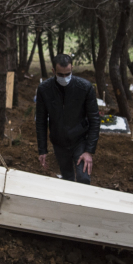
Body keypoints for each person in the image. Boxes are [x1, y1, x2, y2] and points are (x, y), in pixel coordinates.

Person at [35, 54, 101, 184]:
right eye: (61, 75)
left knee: (83, 178)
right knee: (67, 180)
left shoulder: (85, 87)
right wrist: (42, 150)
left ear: (72, 69)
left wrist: (89, 150)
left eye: (68, 74)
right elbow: (41, 121)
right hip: (59, 141)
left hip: (80, 139)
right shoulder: (44, 89)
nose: (65, 78)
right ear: (53, 71)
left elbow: (94, 119)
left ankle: (82, 203)